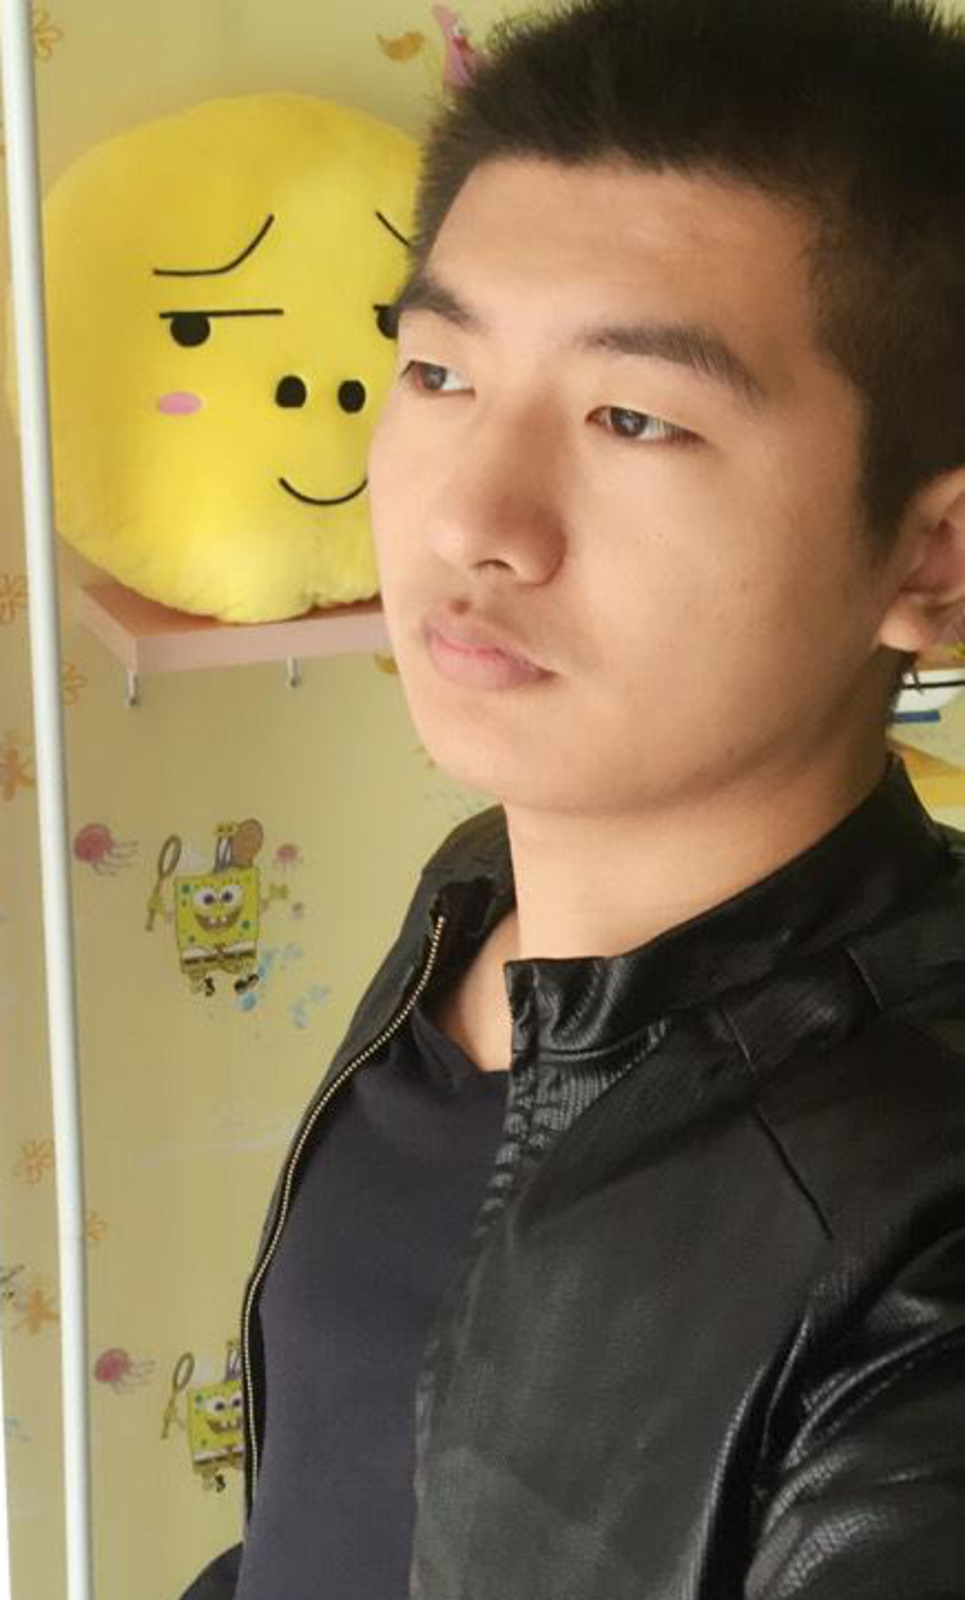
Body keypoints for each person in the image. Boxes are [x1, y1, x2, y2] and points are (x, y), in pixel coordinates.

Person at [180, 0, 965, 1594]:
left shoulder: (921, 1243)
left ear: (931, 559)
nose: (471, 517)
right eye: (438, 371)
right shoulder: (477, 900)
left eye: (632, 417)